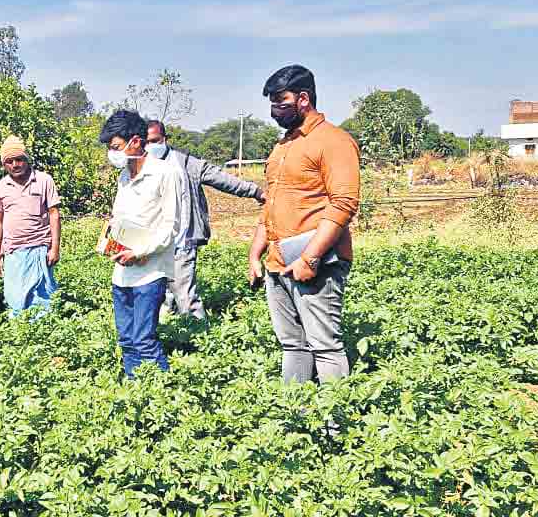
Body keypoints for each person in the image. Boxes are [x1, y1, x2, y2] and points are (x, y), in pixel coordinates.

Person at [247, 64, 360, 385]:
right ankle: (295, 418)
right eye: (271, 104)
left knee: (325, 346)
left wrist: (310, 258)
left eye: (281, 103)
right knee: (292, 345)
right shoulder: (283, 146)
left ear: (304, 99)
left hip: (316, 262)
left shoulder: (334, 141)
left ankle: (334, 426)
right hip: (277, 261)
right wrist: (256, 254)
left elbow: (343, 204)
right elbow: (271, 203)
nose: (274, 111)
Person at [146, 119, 265, 322]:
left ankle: (201, 337)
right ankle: (174, 342)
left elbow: (223, 179)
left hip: (181, 243)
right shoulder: (143, 166)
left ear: (165, 139)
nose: (150, 147)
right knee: (162, 300)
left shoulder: (186, 164)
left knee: (185, 298)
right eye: (146, 142)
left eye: (155, 141)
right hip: (154, 245)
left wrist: (256, 192)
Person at [100, 109, 183, 377]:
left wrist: (140, 252)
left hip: (150, 270)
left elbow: (171, 227)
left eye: (116, 147)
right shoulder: (124, 176)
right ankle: (135, 394)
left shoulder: (165, 173)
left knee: (143, 340)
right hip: (122, 271)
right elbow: (120, 220)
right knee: (126, 340)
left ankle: (159, 395)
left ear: (136, 141)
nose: (112, 154)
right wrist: (109, 240)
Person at [0, 135, 61, 318]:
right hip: (13, 251)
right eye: (9, 161)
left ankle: (43, 337)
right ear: (4, 164)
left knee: (42, 297)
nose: (15, 164)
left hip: (40, 249)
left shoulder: (44, 180)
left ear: (27, 159)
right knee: (15, 298)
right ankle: (19, 338)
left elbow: (54, 214)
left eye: (19, 159)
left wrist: (54, 248)